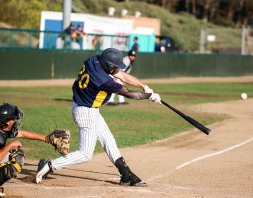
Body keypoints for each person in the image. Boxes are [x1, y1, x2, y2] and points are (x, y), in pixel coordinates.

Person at [35, 48, 161, 187]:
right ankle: (49, 165)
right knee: (85, 154)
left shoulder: (94, 60)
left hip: (89, 109)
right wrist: (150, 96)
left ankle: (125, 174)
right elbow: (129, 94)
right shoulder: (103, 80)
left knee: (109, 140)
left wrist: (144, 86)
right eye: (115, 67)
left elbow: (123, 75)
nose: (117, 69)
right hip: (85, 112)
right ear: (108, 66)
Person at [0, 103, 61, 189]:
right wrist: (10, 145)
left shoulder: (3, 129)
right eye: (13, 119)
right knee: (16, 159)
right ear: (7, 121)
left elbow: (23, 134)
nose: (15, 122)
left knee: (16, 154)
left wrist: (47, 139)